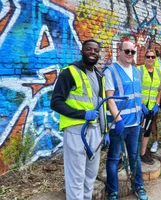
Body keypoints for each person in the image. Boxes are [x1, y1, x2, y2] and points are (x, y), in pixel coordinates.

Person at [50, 39, 107, 200]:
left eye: (96, 50)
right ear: (82, 52)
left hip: (95, 132)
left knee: (91, 174)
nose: (93, 52)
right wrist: (83, 114)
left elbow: (101, 104)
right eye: (89, 49)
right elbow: (56, 102)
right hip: (76, 131)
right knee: (76, 176)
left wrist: (105, 130)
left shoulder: (99, 75)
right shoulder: (69, 72)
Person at [104, 40, 148, 200]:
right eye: (127, 51)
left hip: (135, 123)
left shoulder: (136, 71)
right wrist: (118, 119)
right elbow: (109, 99)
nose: (130, 54)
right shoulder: (111, 71)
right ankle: (113, 192)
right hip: (119, 124)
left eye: (132, 52)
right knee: (114, 158)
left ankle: (139, 186)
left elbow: (135, 94)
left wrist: (142, 106)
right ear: (119, 51)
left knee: (135, 156)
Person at [139, 49, 161, 164]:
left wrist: (157, 104)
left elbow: (159, 91)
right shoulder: (139, 70)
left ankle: (143, 153)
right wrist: (141, 104)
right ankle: (133, 153)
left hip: (151, 107)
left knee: (147, 129)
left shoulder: (158, 72)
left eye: (153, 57)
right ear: (144, 58)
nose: (150, 59)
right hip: (140, 107)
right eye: (148, 57)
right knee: (137, 130)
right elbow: (136, 89)